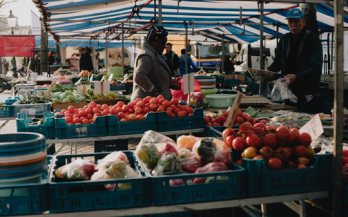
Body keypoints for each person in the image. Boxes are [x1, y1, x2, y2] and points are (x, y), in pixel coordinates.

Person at [267, 8, 322, 114]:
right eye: (290, 21)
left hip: (307, 95)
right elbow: (278, 62)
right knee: (289, 124)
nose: (293, 24)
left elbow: (316, 67)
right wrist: (267, 71)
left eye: (296, 21)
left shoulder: (313, 40)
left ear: (304, 22)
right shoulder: (284, 40)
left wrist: (297, 76)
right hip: (288, 93)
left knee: (306, 124)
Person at [131, 26, 176, 102]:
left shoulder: (152, 53)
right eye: (162, 44)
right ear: (154, 42)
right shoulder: (147, 55)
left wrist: (168, 82)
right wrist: (154, 90)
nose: (164, 47)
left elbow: (154, 75)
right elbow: (139, 76)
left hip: (154, 103)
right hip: (148, 104)